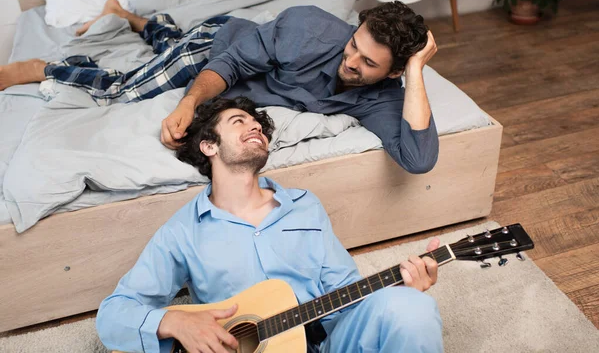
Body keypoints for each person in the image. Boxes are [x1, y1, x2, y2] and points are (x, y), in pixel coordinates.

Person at [95, 97, 443, 353]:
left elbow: (347, 292)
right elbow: (114, 314)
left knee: (412, 308)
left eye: (257, 124)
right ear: (209, 146)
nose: (255, 127)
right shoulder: (182, 231)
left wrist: (400, 290)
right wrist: (174, 321)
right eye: (239, 122)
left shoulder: (305, 206)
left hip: (326, 342)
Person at [0, 0, 439, 174]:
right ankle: (44, 68)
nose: (351, 62)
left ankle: (133, 18)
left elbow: (418, 160)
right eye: (353, 46)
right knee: (130, 89)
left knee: (169, 49)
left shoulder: (385, 96)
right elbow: (229, 63)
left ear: (395, 72)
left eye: (368, 63)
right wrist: (189, 103)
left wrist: (417, 70)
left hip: (236, 56)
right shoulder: (310, 29)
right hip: (224, 44)